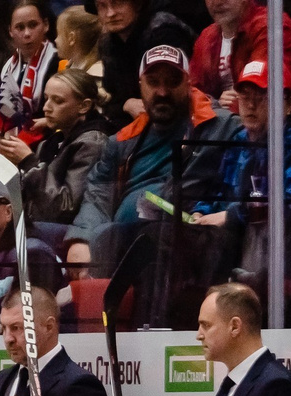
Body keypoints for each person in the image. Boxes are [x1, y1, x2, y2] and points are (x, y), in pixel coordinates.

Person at [68, 47, 243, 318]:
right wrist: (81, 238)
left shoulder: (219, 125)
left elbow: (266, 134)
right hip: (119, 240)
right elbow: (97, 194)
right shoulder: (121, 142)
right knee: (38, 240)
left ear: (188, 83)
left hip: (185, 236)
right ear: (141, 86)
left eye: (172, 82)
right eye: (153, 82)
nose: (162, 91)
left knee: (130, 236)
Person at [186, 59, 291, 294]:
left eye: (261, 97)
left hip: (273, 249)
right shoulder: (240, 138)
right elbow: (219, 189)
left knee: (213, 244)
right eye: (244, 96)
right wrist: (202, 211)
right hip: (232, 237)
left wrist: (231, 215)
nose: (250, 105)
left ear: (287, 105)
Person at [0, 68, 112, 245]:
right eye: (46, 98)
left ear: (84, 106)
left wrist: (28, 162)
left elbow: (65, 208)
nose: (46, 107)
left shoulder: (93, 143)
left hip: (66, 235)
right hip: (38, 226)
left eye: (57, 101)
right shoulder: (52, 142)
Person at [192, 0, 291, 114]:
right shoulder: (206, 38)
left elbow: (262, 96)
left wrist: (216, 107)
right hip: (225, 124)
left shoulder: (272, 28)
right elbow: (192, 93)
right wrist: (215, 105)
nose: (217, 2)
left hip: (283, 127)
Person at [96, 0, 197, 119]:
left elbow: (171, 91)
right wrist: (126, 104)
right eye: (102, 6)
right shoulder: (108, 44)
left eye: (117, 3)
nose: (110, 13)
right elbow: (114, 97)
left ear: (137, 4)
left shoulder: (164, 32)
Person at [0, 1, 60, 135]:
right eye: (20, 27)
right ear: (10, 31)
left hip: (45, 138)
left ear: (46, 25)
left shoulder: (59, 62)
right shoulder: (8, 66)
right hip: (12, 134)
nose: (27, 33)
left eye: (33, 25)